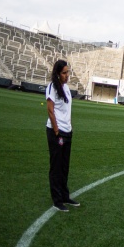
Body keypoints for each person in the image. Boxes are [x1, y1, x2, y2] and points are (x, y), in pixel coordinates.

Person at [46, 59, 78, 212]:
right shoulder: (52, 87)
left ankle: (65, 196)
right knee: (56, 167)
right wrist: (57, 130)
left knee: (65, 167)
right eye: (64, 72)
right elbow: (50, 110)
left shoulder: (65, 88)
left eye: (68, 72)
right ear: (58, 73)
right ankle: (57, 200)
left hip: (67, 131)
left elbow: (66, 111)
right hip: (56, 132)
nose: (67, 75)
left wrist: (69, 128)